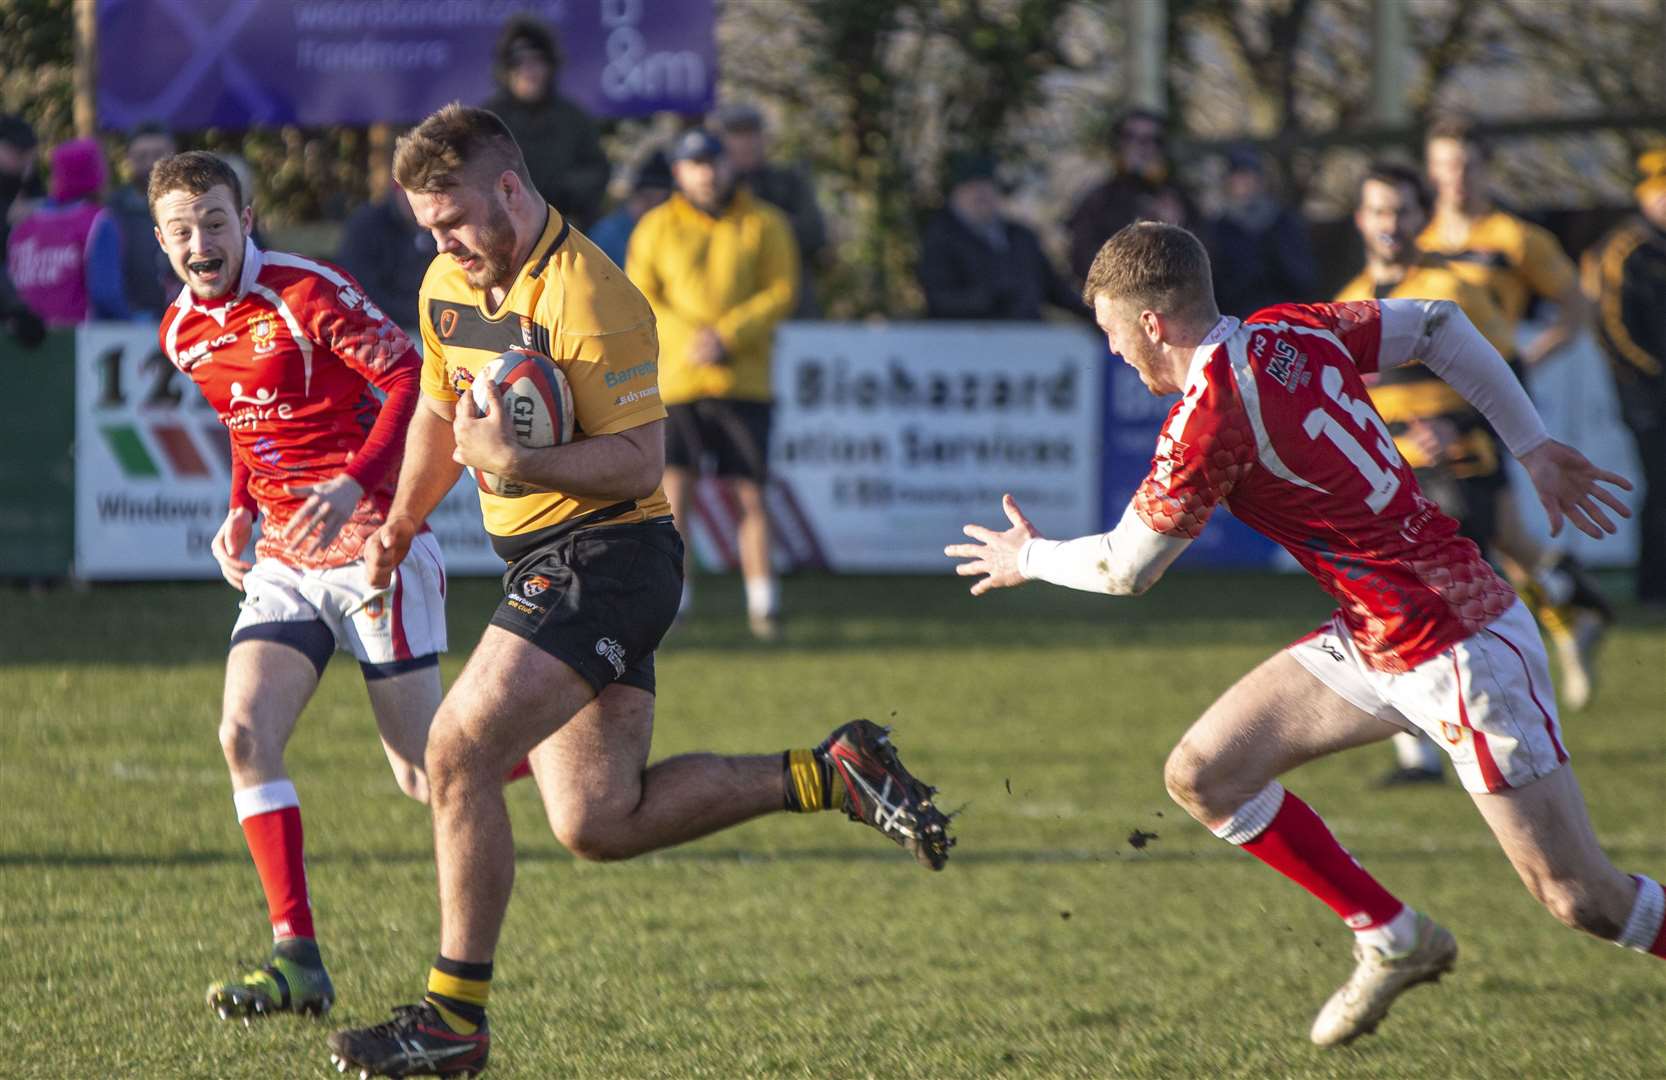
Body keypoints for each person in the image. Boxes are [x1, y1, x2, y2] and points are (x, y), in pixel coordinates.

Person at [325, 104, 950, 1078]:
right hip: (549, 562)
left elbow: (635, 464)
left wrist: (521, 457)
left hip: (610, 556)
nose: (435, 241)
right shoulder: (448, 280)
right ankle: (834, 771)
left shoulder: (592, 292)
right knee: (597, 821)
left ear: (509, 189)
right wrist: (400, 524)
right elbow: (441, 415)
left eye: (448, 219)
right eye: (425, 225)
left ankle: (451, 1024)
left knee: (456, 751)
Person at [947, 221, 1659, 1050]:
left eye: (1110, 333)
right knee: (1205, 774)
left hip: (1460, 647)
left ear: (1151, 325)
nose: (1113, 353)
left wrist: (1028, 556)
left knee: (1582, 899)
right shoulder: (1289, 327)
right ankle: (1392, 935)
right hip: (1375, 636)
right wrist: (1530, 445)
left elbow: (1126, 569)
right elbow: (1436, 326)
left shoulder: (1209, 415)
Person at [148, 151, 447, 1021]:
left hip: (374, 544)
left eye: (213, 221)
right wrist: (237, 510)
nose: (199, 242)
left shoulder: (305, 292)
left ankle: (556, 758)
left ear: (247, 219)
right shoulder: (182, 330)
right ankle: (297, 959)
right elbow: (250, 424)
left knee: (427, 777)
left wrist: (356, 483)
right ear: (161, 241)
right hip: (284, 555)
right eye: (180, 229)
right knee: (243, 732)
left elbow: (409, 376)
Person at [1336, 162, 1606, 783]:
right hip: (1394, 476)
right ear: (1360, 219)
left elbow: (1507, 376)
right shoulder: (1348, 300)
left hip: (1463, 467)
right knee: (1404, 605)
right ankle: (1565, 595)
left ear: (1420, 216)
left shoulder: (1452, 292)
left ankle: (1462, 744)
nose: (1390, 224)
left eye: (1401, 210)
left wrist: (1463, 429)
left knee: (1447, 611)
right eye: (1378, 210)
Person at [1416, 121, 1614, 705]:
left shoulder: (1514, 236)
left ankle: (1552, 626)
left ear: (1486, 169)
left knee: (1486, 532)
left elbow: (1576, 305)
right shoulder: (1417, 236)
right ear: (1431, 171)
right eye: (1446, 164)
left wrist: (1529, 357)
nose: (1456, 177)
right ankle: (1571, 608)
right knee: (1501, 536)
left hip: (1484, 401)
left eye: (1467, 165)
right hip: (1433, 403)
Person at [626, 127, 799, 639]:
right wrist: (691, 339)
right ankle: (675, 604)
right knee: (676, 493)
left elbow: (782, 290)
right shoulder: (655, 227)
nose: (706, 171)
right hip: (680, 379)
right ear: (679, 172)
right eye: (694, 163)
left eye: (713, 160)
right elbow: (641, 297)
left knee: (752, 494)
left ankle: (764, 604)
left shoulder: (765, 222)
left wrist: (727, 336)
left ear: (730, 164)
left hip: (743, 379)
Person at [1582, 148, 1666, 612]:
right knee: (1661, 487)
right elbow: (1613, 326)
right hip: (1645, 395)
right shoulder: (1625, 248)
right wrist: (1655, 372)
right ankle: (1654, 589)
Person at [918, 151, 1081, 321]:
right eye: (971, 187)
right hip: (967, 339)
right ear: (955, 194)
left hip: (1026, 337)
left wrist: (1094, 312)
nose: (980, 194)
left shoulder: (1022, 238)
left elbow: (1055, 288)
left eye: (987, 186)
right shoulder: (941, 239)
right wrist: (990, 299)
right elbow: (939, 299)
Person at [482, 14, 609, 229]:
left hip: (565, 228)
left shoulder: (572, 117)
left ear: (550, 67)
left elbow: (597, 171)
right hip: (506, 229)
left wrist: (561, 191)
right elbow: (475, 178)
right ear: (506, 70)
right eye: (519, 63)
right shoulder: (488, 120)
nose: (529, 70)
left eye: (537, 61)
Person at [714, 102, 829, 318]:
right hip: (729, 311)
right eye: (738, 135)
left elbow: (815, 235)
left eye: (752, 134)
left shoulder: (789, 182)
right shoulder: (711, 189)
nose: (746, 143)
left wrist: (768, 226)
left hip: (792, 307)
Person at [1066, 108, 1196, 284]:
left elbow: (1205, 262)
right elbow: (1082, 263)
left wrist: (1177, 230)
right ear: (1119, 144)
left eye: (1152, 140)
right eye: (1131, 137)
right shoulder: (1098, 201)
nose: (1142, 147)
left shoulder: (1181, 197)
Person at [1206, 145, 1317, 318]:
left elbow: (1304, 278)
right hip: (1237, 321)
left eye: (1250, 176)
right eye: (1238, 177)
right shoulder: (1217, 229)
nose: (1245, 183)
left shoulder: (1283, 222)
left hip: (1286, 316)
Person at [6, 138, 107, 327]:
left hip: (24, 339)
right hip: (77, 341)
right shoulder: (97, 220)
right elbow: (105, 293)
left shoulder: (21, 223)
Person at [87, 122, 177, 320]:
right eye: (142, 156)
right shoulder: (111, 211)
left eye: (158, 154)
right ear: (129, 159)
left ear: (173, 155)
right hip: (130, 323)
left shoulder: (191, 206)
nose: (151, 163)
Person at [337, 183, 437, 330]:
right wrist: (417, 314)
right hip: (381, 327)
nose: (421, 202)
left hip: (430, 323)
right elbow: (361, 291)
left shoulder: (435, 226)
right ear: (399, 189)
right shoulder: (366, 226)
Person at [587, 147, 671, 270]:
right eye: (647, 198)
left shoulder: (677, 232)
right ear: (632, 197)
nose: (653, 209)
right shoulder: (609, 233)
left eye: (662, 203)